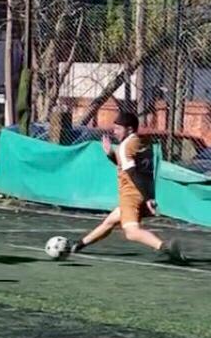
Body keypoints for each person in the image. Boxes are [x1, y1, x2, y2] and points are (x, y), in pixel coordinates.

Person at [68, 112, 186, 264]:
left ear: (129, 129)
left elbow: (132, 173)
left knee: (131, 232)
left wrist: (148, 198)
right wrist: (111, 154)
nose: (114, 132)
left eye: (118, 128)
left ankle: (166, 248)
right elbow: (129, 166)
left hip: (131, 194)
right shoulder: (141, 141)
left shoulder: (125, 147)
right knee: (110, 222)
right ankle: (78, 245)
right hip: (143, 191)